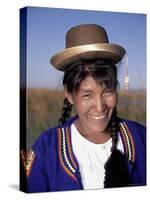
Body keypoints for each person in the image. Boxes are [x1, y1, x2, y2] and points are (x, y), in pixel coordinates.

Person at [21, 24, 146, 193]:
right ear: (70, 94)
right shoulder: (45, 149)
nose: (100, 107)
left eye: (107, 91)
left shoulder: (142, 138)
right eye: (87, 95)